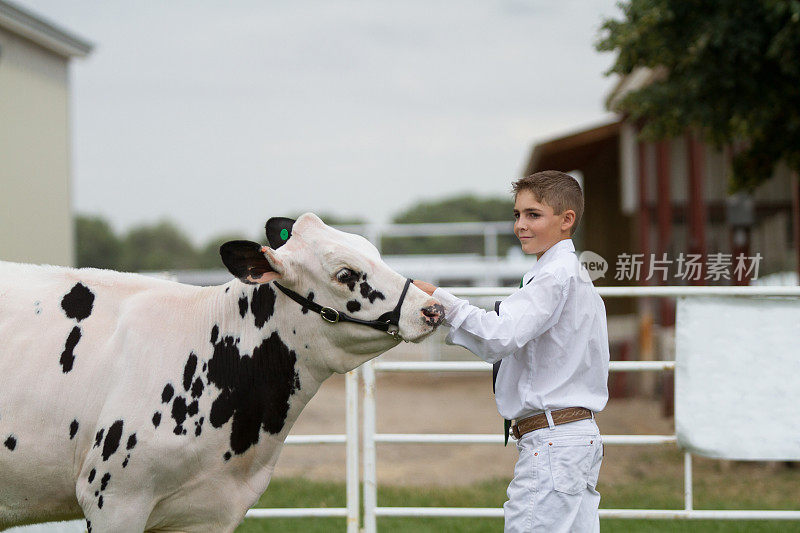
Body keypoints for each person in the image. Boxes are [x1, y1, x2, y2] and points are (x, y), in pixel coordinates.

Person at [414, 170, 610, 532]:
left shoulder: (554, 276)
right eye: (517, 214)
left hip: (553, 440)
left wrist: (442, 301)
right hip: (570, 437)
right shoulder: (568, 273)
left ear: (567, 220)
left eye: (533, 214)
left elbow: (500, 336)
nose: (521, 224)